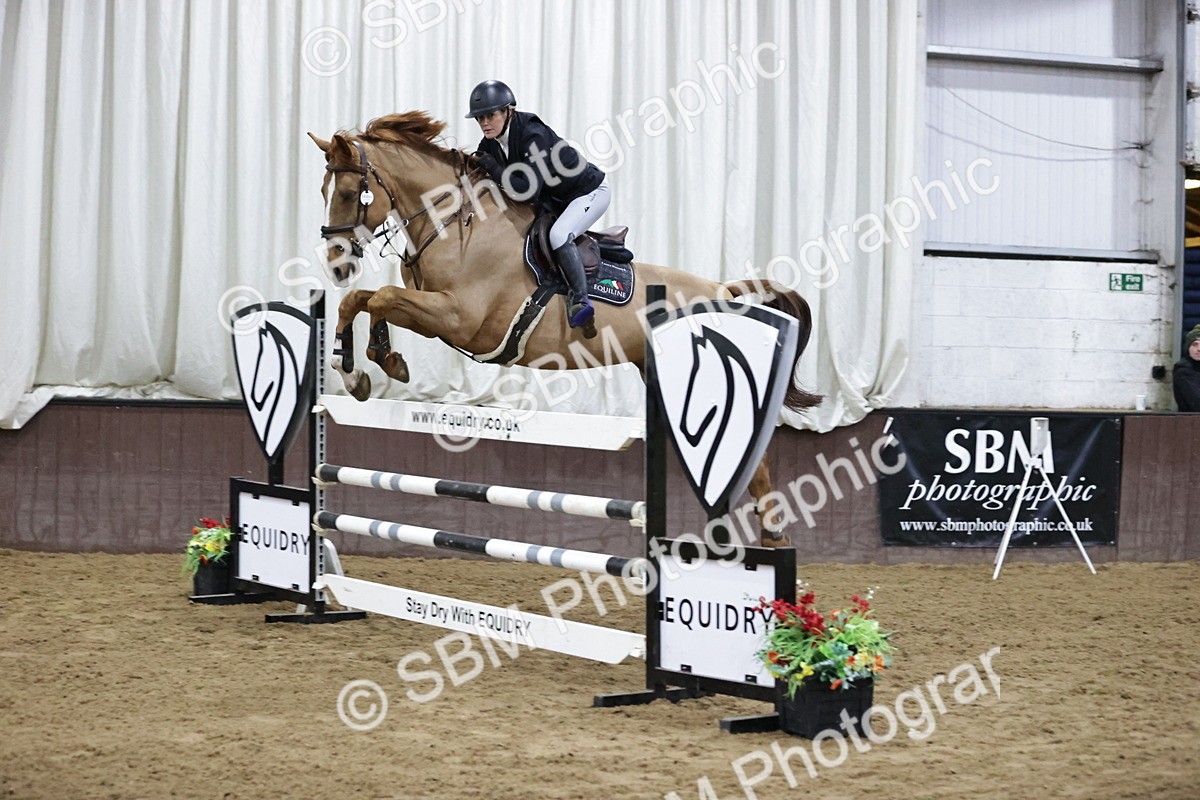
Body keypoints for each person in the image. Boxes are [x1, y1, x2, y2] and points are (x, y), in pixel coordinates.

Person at [466, 80, 609, 332]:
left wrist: (494, 168)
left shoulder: (533, 134)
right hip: (557, 200)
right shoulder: (491, 141)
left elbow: (528, 190)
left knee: (558, 235)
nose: (484, 123)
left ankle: (580, 299)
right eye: (479, 118)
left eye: (490, 115)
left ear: (508, 111)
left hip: (588, 192)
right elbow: (477, 168)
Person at [1174, 324, 1200, 411]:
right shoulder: (1184, 371)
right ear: (1188, 348)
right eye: (1194, 344)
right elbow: (1197, 403)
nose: (1199, 349)